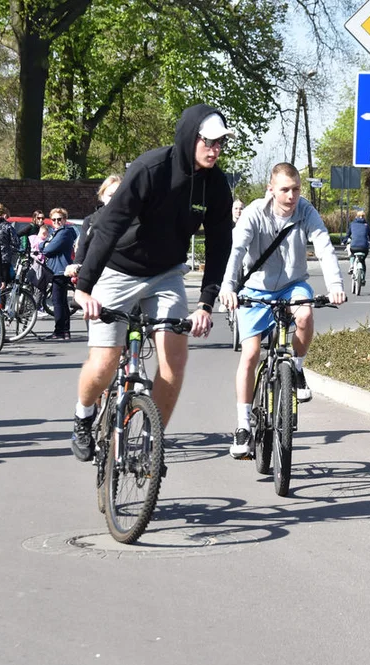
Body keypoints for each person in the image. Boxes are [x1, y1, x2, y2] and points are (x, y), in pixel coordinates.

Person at [70, 104, 233, 461]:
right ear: (191, 137)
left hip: (166, 274)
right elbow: (110, 225)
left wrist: (206, 303)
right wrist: (84, 286)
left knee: (175, 360)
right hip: (117, 270)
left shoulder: (217, 185)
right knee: (104, 362)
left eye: (221, 144)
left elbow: (221, 244)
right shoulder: (151, 168)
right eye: (208, 142)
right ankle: (83, 416)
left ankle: (149, 440)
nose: (215, 150)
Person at [218, 162, 346, 458]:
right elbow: (236, 251)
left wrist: (335, 284)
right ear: (271, 189)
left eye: (296, 189)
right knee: (250, 354)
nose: (291, 195)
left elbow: (324, 246)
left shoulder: (305, 211)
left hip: (293, 284)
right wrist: (228, 288)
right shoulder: (254, 214)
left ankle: (297, 370)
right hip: (255, 289)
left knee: (305, 314)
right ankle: (242, 426)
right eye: (285, 189)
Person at [68, 174, 122, 279]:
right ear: (102, 196)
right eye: (110, 195)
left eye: (118, 195)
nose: (114, 199)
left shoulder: (133, 219)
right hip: (97, 275)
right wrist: (77, 265)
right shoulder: (91, 221)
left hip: (124, 275)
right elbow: (83, 247)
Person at [39, 207, 77, 340]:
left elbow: (48, 249)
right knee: (61, 301)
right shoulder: (56, 232)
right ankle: (64, 331)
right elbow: (44, 246)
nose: (56, 222)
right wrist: (45, 244)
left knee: (58, 301)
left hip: (60, 270)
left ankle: (60, 331)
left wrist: (44, 245)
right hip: (57, 269)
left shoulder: (64, 232)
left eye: (59, 219)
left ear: (65, 220)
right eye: (53, 219)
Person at [345, 210, 370, 279]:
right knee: (363, 261)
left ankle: (352, 265)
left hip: (354, 246)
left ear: (356, 217)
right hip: (364, 247)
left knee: (352, 254)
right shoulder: (366, 225)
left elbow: (348, 235)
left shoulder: (352, 224)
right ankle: (363, 278)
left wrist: (344, 241)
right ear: (364, 217)